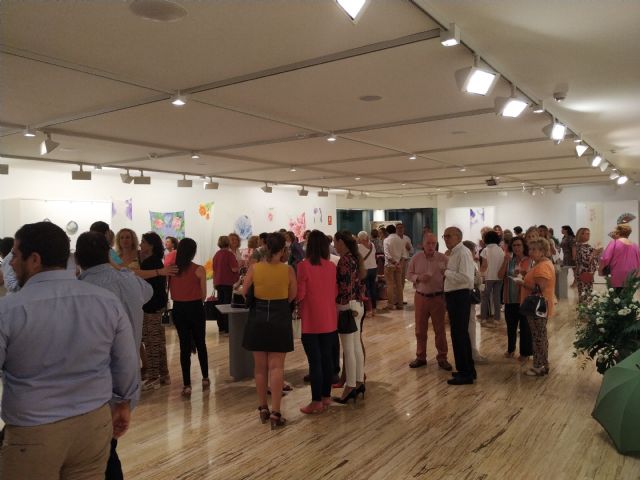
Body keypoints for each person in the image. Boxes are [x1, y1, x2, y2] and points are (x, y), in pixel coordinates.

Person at [0, 222, 139, 478]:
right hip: (93, 424)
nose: (10, 263)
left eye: (15, 255)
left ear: (34, 259)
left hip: (34, 429)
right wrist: (123, 402)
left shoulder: (9, 310)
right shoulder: (105, 301)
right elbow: (126, 360)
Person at [75, 231, 153, 479]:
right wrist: (120, 268)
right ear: (109, 252)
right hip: (126, 382)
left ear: (77, 258)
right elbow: (149, 291)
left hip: (96, 385)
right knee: (106, 449)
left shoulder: (81, 288)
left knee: (99, 455)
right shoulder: (131, 280)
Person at [242, 233, 297, 429]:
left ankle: (262, 408)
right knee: (276, 367)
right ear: (283, 250)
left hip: (257, 318)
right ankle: (276, 412)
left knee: (260, 367)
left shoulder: (255, 268)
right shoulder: (288, 270)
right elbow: (293, 295)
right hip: (279, 318)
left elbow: (244, 290)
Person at [296, 230, 338, 414]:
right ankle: (326, 397)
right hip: (329, 319)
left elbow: (300, 294)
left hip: (312, 320)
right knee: (327, 360)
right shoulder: (331, 266)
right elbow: (335, 292)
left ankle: (315, 401)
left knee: (315, 362)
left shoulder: (303, 266)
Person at [169, 238, 209, 397]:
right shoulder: (199, 269)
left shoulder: (172, 270)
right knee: (201, 343)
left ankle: (187, 384)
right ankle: (205, 377)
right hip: (195, 308)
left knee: (184, 346)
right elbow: (204, 295)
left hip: (178, 309)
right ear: (193, 252)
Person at [406, 232, 452, 371]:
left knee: (440, 330)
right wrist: (418, 278)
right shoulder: (416, 257)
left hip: (438, 298)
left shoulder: (443, 258)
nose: (431, 246)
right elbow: (408, 274)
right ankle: (421, 357)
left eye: (434, 243)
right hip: (421, 297)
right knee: (420, 330)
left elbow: (450, 276)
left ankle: (442, 358)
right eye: (428, 243)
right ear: (422, 244)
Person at [332, 231, 365, 403]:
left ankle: (350, 386)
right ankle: (359, 382)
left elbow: (344, 287)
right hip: (358, 304)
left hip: (347, 306)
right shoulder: (355, 258)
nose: (335, 246)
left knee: (348, 349)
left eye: (336, 242)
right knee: (356, 346)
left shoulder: (344, 261)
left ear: (341, 242)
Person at [515, 238, 556, 376]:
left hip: (538, 307)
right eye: (530, 249)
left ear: (543, 251)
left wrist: (522, 283)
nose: (530, 252)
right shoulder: (542, 263)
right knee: (540, 336)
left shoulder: (542, 266)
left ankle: (539, 366)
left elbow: (539, 288)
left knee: (538, 337)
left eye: (534, 249)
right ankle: (543, 364)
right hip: (539, 306)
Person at [442, 226, 476, 385]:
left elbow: (466, 278)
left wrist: (446, 272)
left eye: (449, 236)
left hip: (460, 296)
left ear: (458, 237)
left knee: (459, 335)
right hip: (455, 296)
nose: (446, 239)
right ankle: (467, 369)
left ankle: (466, 373)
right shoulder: (456, 253)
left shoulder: (462, 253)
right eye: (445, 236)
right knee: (459, 334)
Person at [139, 232, 171, 390]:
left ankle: (154, 377)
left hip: (152, 306)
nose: (140, 244)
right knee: (158, 341)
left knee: (152, 342)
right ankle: (163, 374)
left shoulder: (149, 263)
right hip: (157, 305)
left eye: (143, 242)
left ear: (151, 245)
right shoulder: (155, 261)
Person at [498, 236, 532, 363]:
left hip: (525, 298)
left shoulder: (529, 260)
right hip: (510, 298)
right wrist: (505, 262)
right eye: (514, 245)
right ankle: (510, 349)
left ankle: (525, 352)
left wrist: (523, 274)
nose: (517, 248)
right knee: (511, 326)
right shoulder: (509, 260)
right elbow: (500, 276)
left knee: (525, 327)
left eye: (519, 245)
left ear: (524, 246)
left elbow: (532, 278)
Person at [462, 241, 488, 364]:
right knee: (470, 325)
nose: (476, 254)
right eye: (474, 251)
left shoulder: (469, 263)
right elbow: (475, 280)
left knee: (469, 325)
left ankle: (471, 352)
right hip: (467, 298)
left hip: (465, 298)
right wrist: (480, 278)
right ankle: (472, 353)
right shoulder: (469, 264)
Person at [598, 223, 640, 291]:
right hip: (632, 275)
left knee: (616, 298)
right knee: (628, 298)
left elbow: (605, 258)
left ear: (618, 232)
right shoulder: (635, 245)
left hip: (617, 274)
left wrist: (600, 270)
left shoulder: (614, 242)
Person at [213, 235, 239, 334]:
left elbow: (215, 270)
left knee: (220, 304)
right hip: (227, 282)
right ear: (228, 243)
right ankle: (228, 328)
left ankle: (221, 327)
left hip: (218, 282)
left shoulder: (216, 254)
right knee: (227, 305)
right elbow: (234, 269)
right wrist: (239, 265)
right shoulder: (229, 254)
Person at [479, 230, 504, 327]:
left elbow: (484, 265)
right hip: (499, 277)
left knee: (485, 298)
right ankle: (497, 319)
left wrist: (480, 275)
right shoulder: (500, 249)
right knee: (497, 298)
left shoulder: (485, 250)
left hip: (488, 277)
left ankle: (484, 319)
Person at [574, 227, 600, 304]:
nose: (589, 235)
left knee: (587, 293)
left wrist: (597, 254)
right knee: (584, 293)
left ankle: (586, 311)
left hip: (587, 272)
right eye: (587, 233)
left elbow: (593, 259)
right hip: (583, 273)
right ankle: (584, 312)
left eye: (589, 233)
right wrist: (595, 253)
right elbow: (586, 261)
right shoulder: (580, 246)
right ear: (581, 235)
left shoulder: (586, 246)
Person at [383, 224, 405, 310]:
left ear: (387, 231)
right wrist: (399, 264)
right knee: (399, 285)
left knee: (390, 285)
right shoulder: (400, 239)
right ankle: (400, 304)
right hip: (398, 265)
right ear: (395, 230)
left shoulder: (386, 240)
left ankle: (390, 305)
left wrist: (395, 263)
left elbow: (387, 254)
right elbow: (403, 254)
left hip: (389, 265)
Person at [357, 231, 378, 316]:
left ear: (361, 238)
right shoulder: (372, 245)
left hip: (364, 269)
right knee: (373, 289)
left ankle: (369, 310)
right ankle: (374, 308)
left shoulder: (358, 246)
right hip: (374, 268)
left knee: (366, 289)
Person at [396, 223, 413, 295]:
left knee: (402, 280)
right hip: (395, 262)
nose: (400, 229)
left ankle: (400, 298)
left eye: (401, 228)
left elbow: (412, 251)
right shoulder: (393, 239)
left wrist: (409, 248)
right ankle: (395, 299)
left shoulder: (407, 238)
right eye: (398, 228)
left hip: (404, 262)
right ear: (396, 229)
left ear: (404, 229)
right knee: (396, 281)